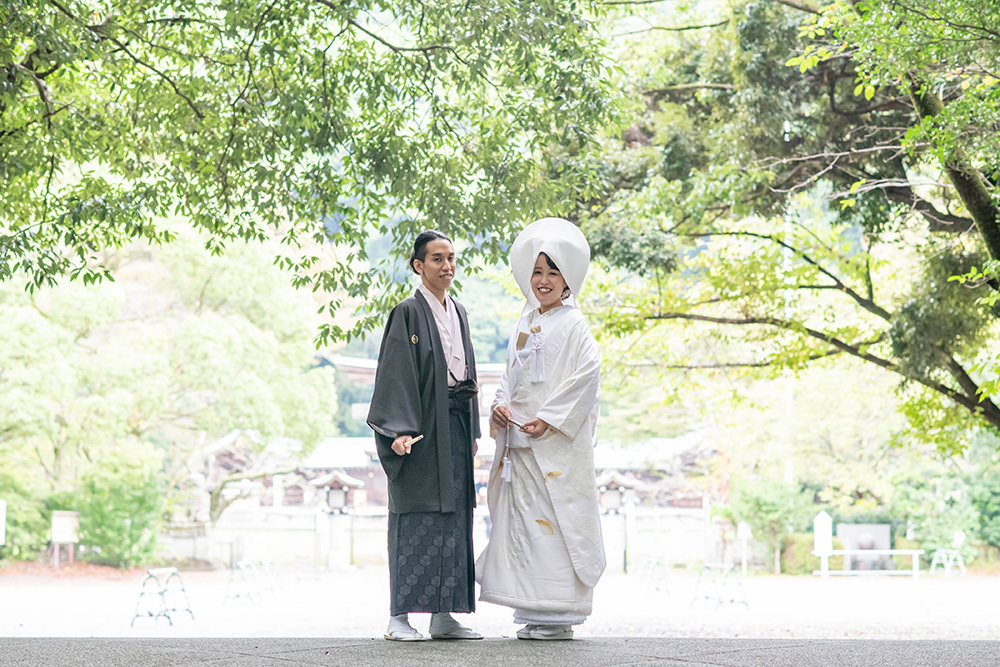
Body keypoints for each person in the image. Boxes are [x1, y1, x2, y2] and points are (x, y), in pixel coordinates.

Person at [475, 217, 606, 641]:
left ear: (567, 280)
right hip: (520, 444)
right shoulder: (523, 322)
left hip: (553, 446)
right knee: (525, 528)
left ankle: (559, 614)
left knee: (555, 525)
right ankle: (534, 610)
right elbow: (508, 378)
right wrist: (499, 407)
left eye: (552, 272)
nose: (543, 280)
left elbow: (587, 374)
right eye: (537, 271)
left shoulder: (574, 324)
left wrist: (549, 419)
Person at [367, 230, 483, 642]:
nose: (446, 266)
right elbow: (395, 371)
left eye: (451, 258)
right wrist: (397, 430)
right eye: (437, 258)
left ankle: (443, 615)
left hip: (454, 427)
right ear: (418, 265)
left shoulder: (459, 311)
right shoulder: (407, 312)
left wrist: (473, 428)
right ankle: (399, 617)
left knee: (454, 517)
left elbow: (468, 374)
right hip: (419, 430)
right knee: (415, 515)